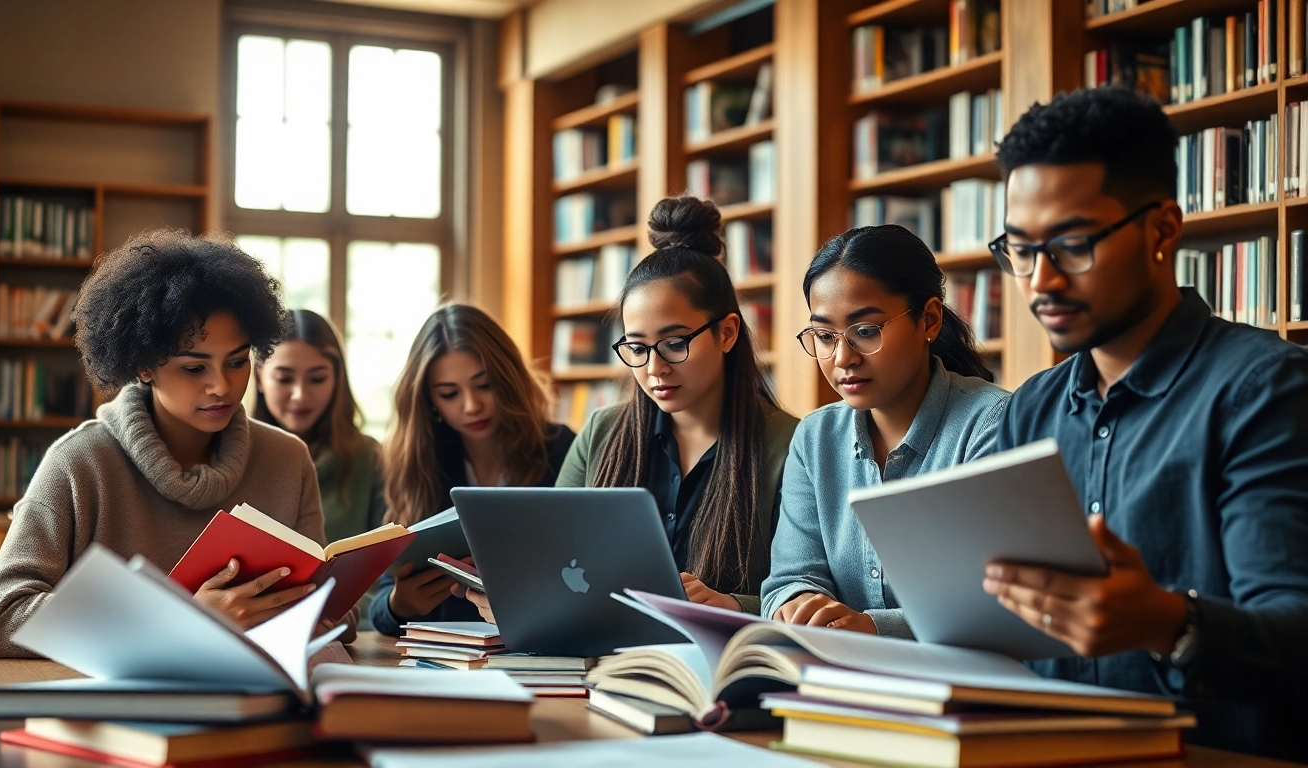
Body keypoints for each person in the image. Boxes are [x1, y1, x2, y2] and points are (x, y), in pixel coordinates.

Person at [983, 86, 1308, 760]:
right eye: (1019, 249)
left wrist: (1166, 622)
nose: (1041, 280)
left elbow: (1296, 630)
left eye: (1072, 244)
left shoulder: (1264, 391)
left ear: (1161, 230)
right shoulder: (1028, 410)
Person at [0, 230, 326, 658]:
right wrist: (180, 621)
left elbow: (327, 611)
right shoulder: (79, 464)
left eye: (237, 362)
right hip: (122, 713)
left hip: (256, 699)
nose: (222, 386)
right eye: (194, 368)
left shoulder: (288, 460)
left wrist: (318, 610)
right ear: (143, 366)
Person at [551, 196, 798, 616]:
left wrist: (731, 605)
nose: (654, 368)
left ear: (727, 333)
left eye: (675, 343)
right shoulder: (601, 433)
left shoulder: (791, 446)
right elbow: (549, 555)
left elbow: (815, 595)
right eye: (636, 347)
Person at [759, 225, 1008, 634]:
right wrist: (798, 603)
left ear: (928, 319)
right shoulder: (814, 437)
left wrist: (872, 628)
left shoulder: (992, 424)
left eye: (866, 331)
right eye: (824, 335)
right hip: (839, 678)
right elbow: (789, 579)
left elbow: (992, 602)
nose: (842, 358)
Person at [369, 304, 575, 636]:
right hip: (447, 657)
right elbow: (381, 604)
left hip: (542, 650)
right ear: (429, 400)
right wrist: (399, 605)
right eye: (449, 393)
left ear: (508, 379)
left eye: (484, 384)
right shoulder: (421, 464)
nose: (471, 405)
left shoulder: (561, 449)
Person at [253, 308, 385, 627]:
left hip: (347, 632)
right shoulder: (233, 458)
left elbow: (387, 580)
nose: (301, 395)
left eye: (317, 378)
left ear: (336, 378)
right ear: (258, 377)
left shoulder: (368, 457)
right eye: (284, 378)